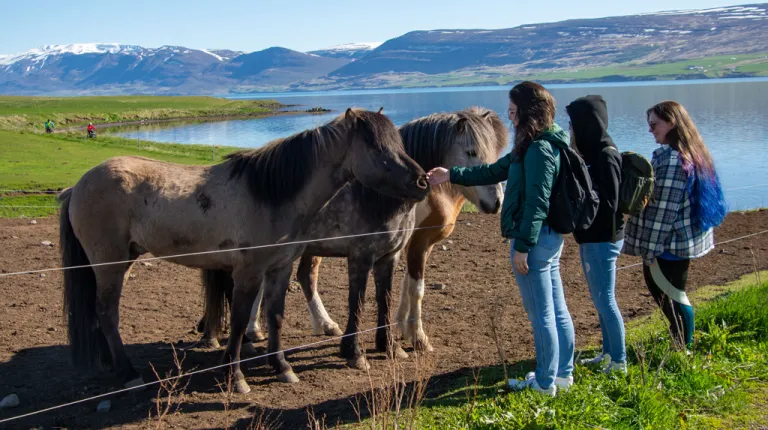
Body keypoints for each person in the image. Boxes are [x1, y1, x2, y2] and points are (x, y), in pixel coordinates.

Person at [427, 81, 574, 396]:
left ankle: (546, 383)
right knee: (556, 309)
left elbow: (537, 204)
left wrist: (523, 246)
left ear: (527, 111)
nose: (510, 117)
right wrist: (451, 175)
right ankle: (562, 374)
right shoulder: (536, 144)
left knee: (543, 314)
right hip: (545, 238)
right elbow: (494, 170)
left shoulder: (539, 150)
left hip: (535, 240)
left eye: (513, 111)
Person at [623, 101, 726, 350]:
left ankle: (682, 347)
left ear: (671, 122)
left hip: (669, 244)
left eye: (654, 124)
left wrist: (649, 251)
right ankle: (680, 341)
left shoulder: (672, 160)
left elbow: (663, 212)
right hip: (681, 239)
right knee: (673, 293)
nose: (650, 130)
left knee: (672, 295)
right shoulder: (691, 153)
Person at [565, 95, 627, 374]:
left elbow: (611, 201)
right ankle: (607, 353)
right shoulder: (591, 153)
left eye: (574, 123)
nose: (571, 129)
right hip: (592, 238)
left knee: (606, 300)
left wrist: (583, 203)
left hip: (603, 238)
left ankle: (619, 361)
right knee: (601, 300)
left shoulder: (605, 154)